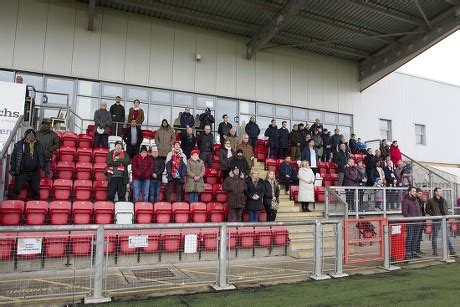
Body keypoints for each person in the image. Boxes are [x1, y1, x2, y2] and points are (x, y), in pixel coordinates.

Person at [10, 129, 44, 200]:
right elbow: (13, 158)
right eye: (29, 135)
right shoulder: (19, 145)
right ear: (25, 135)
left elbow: (41, 156)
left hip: (34, 173)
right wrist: (13, 169)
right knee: (16, 189)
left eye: (33, 135)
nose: (31, 136)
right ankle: (12, 204)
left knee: (36, 191)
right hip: (23, 172)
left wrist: (41, 166)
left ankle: (35, 207)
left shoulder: (38, 145)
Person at [426, 188, 456, 256]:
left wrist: (447, 216)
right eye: (439, 191)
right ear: (435, 192)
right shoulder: (431, 200)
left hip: (444, 220)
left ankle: (451, 250)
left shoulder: (444, 200)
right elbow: (427, 210)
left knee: (447, 236)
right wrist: (435, 215)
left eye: (441, 191)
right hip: (437, 220)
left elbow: (446, 209)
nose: (441, 192)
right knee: (435, 236)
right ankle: (435, 250)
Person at [402, 186, 423, 260]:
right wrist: (412, 219)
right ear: (409, 192)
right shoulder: (405, 200)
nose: (415, 193)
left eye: (415, 191)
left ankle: (413, 252)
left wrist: (420, 219)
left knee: (416, 238)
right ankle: (408, 253)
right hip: (411, 223)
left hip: (418, 222)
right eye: (413, 191)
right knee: (410, 238)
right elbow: (404, 212)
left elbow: (419, 210)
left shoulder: (416, 200)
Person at [415, 188, 426, 255]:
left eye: (421, 194)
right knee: (415, 236)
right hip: (417, 220)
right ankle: (414, 250)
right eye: (419, 193)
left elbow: (423, 211)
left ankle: (418, 249)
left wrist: (424, 220)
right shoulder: (415, 200)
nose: (420, 195)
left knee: (419, 236)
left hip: (421, 220)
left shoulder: (421, 200)